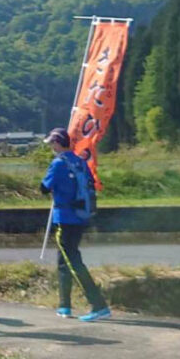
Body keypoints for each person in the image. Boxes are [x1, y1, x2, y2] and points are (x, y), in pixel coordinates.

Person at [41, 127, 110, 322]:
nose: (51, 147)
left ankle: (99, 305)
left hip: (64, 217)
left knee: (73, 262)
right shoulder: (80, 161)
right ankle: (64, 305)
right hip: (81, 216)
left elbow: (44, 188)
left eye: (51, 143)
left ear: (57, 143)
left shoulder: (58, 163)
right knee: (64, 261)